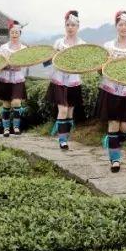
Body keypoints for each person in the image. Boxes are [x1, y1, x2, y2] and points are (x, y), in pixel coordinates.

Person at [96, 10, 126, 172]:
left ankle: (112, 140)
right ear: (116, 26)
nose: (124, 27)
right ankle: (115, 160)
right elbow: (100, 70)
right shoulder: (108, 46)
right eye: (121, 24)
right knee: (113, 123)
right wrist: (102, 68)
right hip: (110, 90)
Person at [49, 10, 85, 149]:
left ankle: (66, 135)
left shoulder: (82, 44)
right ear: (65, 26)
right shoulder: (59, 42)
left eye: (73, 25)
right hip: (59, 80)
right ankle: (62, 140)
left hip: (74, 82)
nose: (70, 27)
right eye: (68, 25)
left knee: (70, 111)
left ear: (77, 27)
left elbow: (84, 63)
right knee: (63, 109)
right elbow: (50, 60)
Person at [0, 22, 28, 136]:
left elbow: (26, 61)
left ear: (20, 33)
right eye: (12, 32)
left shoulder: (24, 48)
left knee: (16, 102)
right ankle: (6, 129)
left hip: (18, 78)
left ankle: (16, 126)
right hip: (5, 77)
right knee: (7, 104)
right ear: (9, 33)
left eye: (17, 32)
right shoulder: (3, 47)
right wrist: (5, 63)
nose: (14, 34)